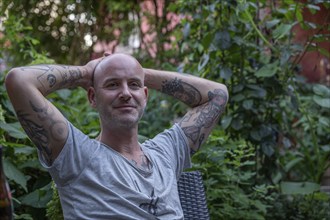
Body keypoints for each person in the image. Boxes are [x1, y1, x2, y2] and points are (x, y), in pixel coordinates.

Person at [5, 53, 228, 219]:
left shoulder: (166, 153)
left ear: (145, 95)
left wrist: (140, 73)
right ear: (92, 97)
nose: (125, 93)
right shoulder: (77, 156)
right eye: (112, 84)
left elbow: (217, 94)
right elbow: (19, 80)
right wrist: (86, 72)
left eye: (133, 85)